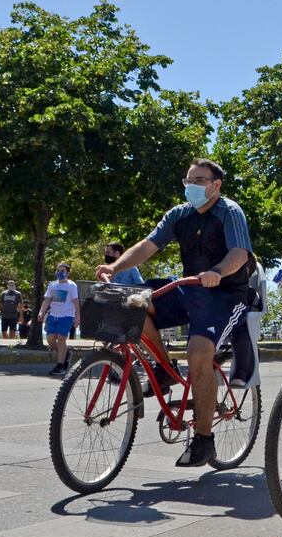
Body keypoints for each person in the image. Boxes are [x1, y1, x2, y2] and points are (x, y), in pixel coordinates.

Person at [95, 158, 255, 467]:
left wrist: (218, 272)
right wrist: (115, 267)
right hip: (189, 287)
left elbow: (239, 254)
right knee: (134, 304)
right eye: (188, 181)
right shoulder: (179, 215)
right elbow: (148, 244)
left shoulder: (229, 213)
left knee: (199, 350)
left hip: (224, 294)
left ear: (216, 185)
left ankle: (204, 440)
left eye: (199, 181)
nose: (191, 187)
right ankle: (164, 369)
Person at [38, 263, 79, 375]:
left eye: (62, 271)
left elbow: (76, 302)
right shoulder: (52, 284)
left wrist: (77, 317)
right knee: (50, 340)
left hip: (66, 316)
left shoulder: (71, 285)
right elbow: (47, 300)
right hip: (53, 315)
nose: (59, 273)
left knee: (61, 338)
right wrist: (42, 311)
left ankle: (60, 365)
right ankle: (66, 354)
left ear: (67, 273)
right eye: (58, 270)